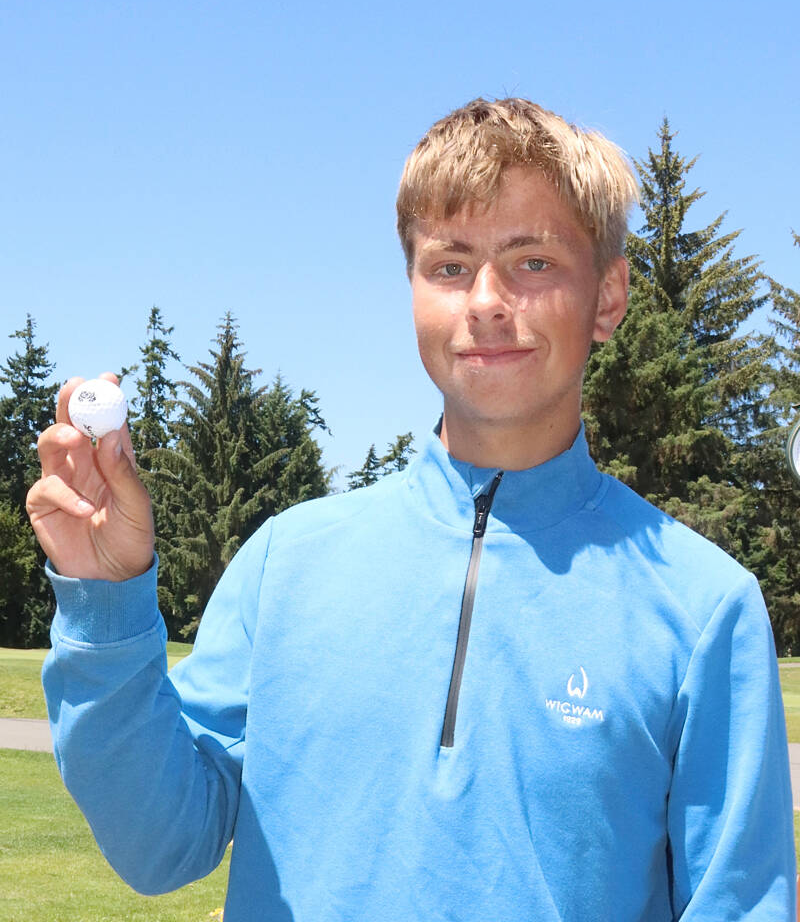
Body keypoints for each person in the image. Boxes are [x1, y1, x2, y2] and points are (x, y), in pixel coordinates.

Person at [28, 98, 795, 920]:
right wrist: (105, 606)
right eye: (450, 266)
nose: (487, 300)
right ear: (413, 290)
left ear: (607, 297)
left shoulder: (704, 608)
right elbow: (159, 845)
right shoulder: (287, 562)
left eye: (533, 261)